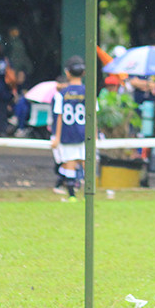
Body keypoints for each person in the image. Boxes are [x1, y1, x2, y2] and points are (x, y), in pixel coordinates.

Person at [51, 56, 87, 201]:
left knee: (70, 163)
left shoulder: (61, 94)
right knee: (87, 163)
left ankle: (72, 195)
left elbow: (59, 116)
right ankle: (88, 194)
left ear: (67, 73)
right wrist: (95, 134)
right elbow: (93, 115)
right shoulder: (88, 91)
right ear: (84, 73)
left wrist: (57, 137)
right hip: (85, 133)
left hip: (68, 133)